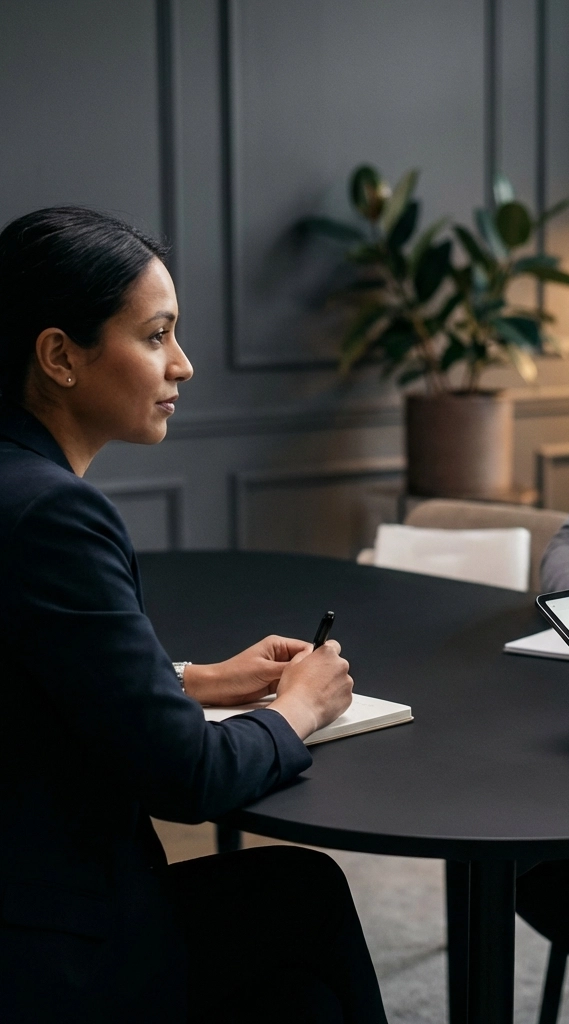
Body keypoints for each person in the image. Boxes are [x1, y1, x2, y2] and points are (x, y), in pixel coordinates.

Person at [0, 207, 387, 1024]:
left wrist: (194, 679)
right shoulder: (54, 517)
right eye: (156, 336)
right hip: (56, 956)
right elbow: (190, 779)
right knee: (301, 908)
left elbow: (35, 681)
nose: (184, 365)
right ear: (59, 356)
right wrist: (301, 707)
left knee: (300, 934)